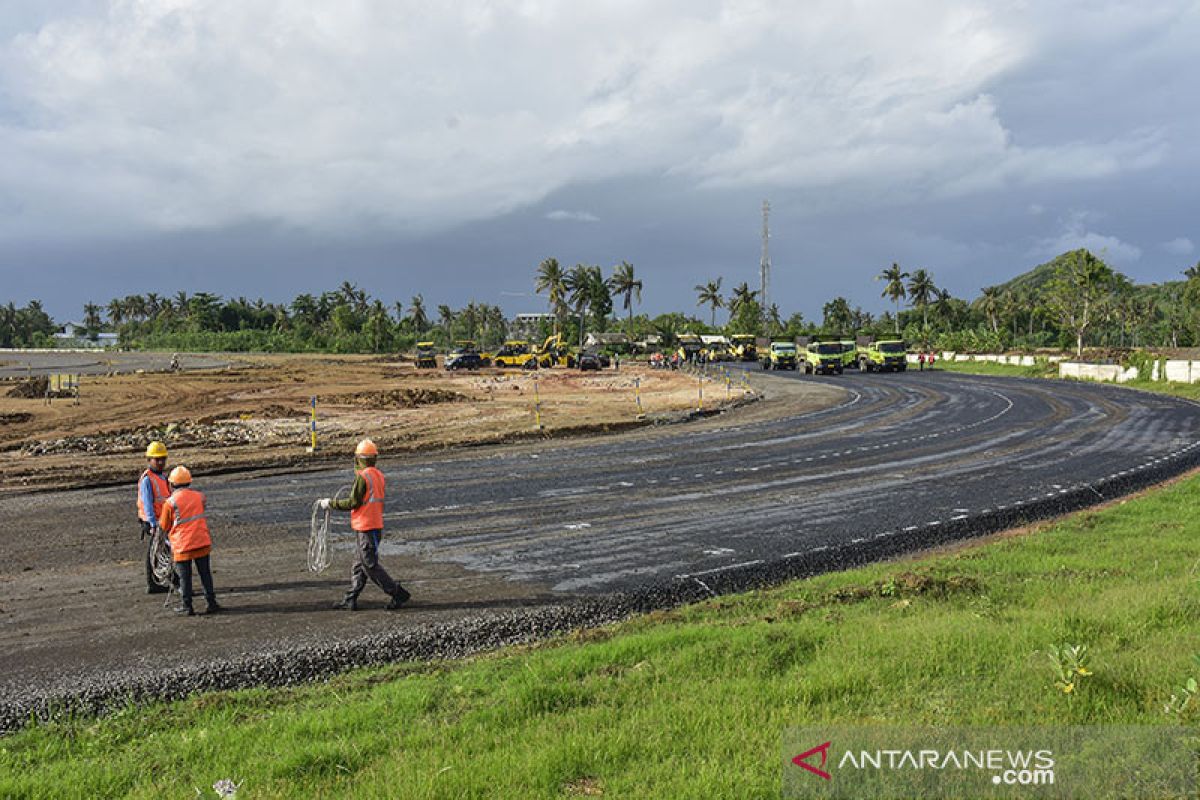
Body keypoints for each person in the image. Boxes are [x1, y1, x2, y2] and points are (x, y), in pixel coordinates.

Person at [320, 439, 410, 611]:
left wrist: (331, 503)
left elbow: (353, 502)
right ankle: (350, 598)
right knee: (359, 565)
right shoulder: (378, 475)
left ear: (359, 459)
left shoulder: (363, 477)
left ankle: (397, 593)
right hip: (372, 526)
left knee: (369, 565)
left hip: (367, 527)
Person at [158, 465, 222, 616]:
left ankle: (187, 606)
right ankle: (211, 602)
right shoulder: (200, 496)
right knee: (205, 573)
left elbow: (164, 525)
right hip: (201, 541)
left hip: (182, 545)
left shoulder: (170, 503)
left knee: (184, 577)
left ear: (172, 484)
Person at [138, 441, 173, 594]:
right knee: (154, 551)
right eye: (157, 459)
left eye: (162, 459)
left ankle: (158, 581)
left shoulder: (162, 478)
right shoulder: (148, 479)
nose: (160, 462)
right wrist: (152, 524)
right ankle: (152, 583)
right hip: (153, 521)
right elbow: (147, 503)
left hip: (162, 520)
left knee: (161, 551)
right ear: (149, 460)